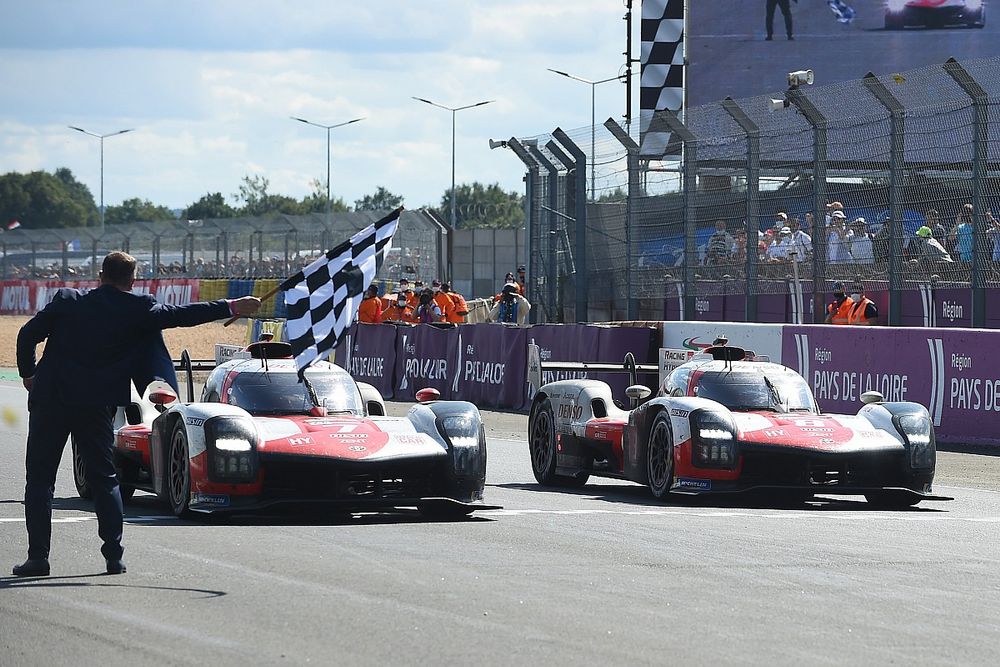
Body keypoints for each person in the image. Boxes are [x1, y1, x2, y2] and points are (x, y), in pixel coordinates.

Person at [13, 251, 261, 577]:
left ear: (100, 276)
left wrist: (28, 373)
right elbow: (180, 315)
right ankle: (113, 555)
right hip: (95, 404)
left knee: (41, 480)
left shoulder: (67, 299)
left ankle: (38, 558)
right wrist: (230, 307)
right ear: (132, 281)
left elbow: (27, 335)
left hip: (51, 400)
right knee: (104, 479)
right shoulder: (137, 308)